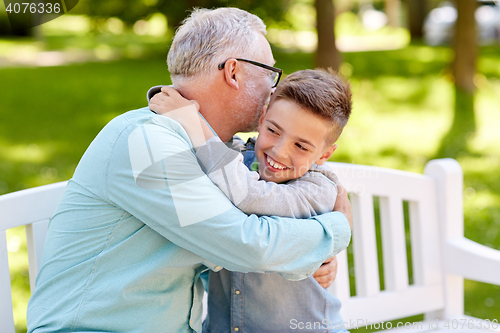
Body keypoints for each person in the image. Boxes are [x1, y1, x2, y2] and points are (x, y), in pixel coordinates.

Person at [26, 8, 352, 333]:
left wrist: (304, 258)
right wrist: (335, 230)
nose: (272, 89)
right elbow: (244, 246)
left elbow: (219, 251)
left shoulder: (209, 151)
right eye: (270, 72)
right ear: (234, 73)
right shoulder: (148, 146)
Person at [150, 68, 352, 332]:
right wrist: (183, 108)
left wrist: (191, 120)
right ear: (261, 118)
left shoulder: (319, 190)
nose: (279, 151)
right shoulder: (237, 159)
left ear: (325, 155)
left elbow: (249, 195)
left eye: (301, 146)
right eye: (273, 130)